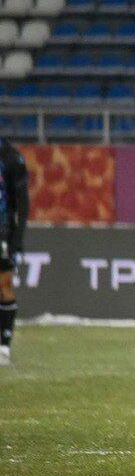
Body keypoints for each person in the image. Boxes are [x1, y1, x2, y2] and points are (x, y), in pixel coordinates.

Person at [0, 136, 28, 366]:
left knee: (4, 285)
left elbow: (22, 203)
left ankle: (3, 346)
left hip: (3, 232)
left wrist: (17, 239)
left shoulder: (11, 158)